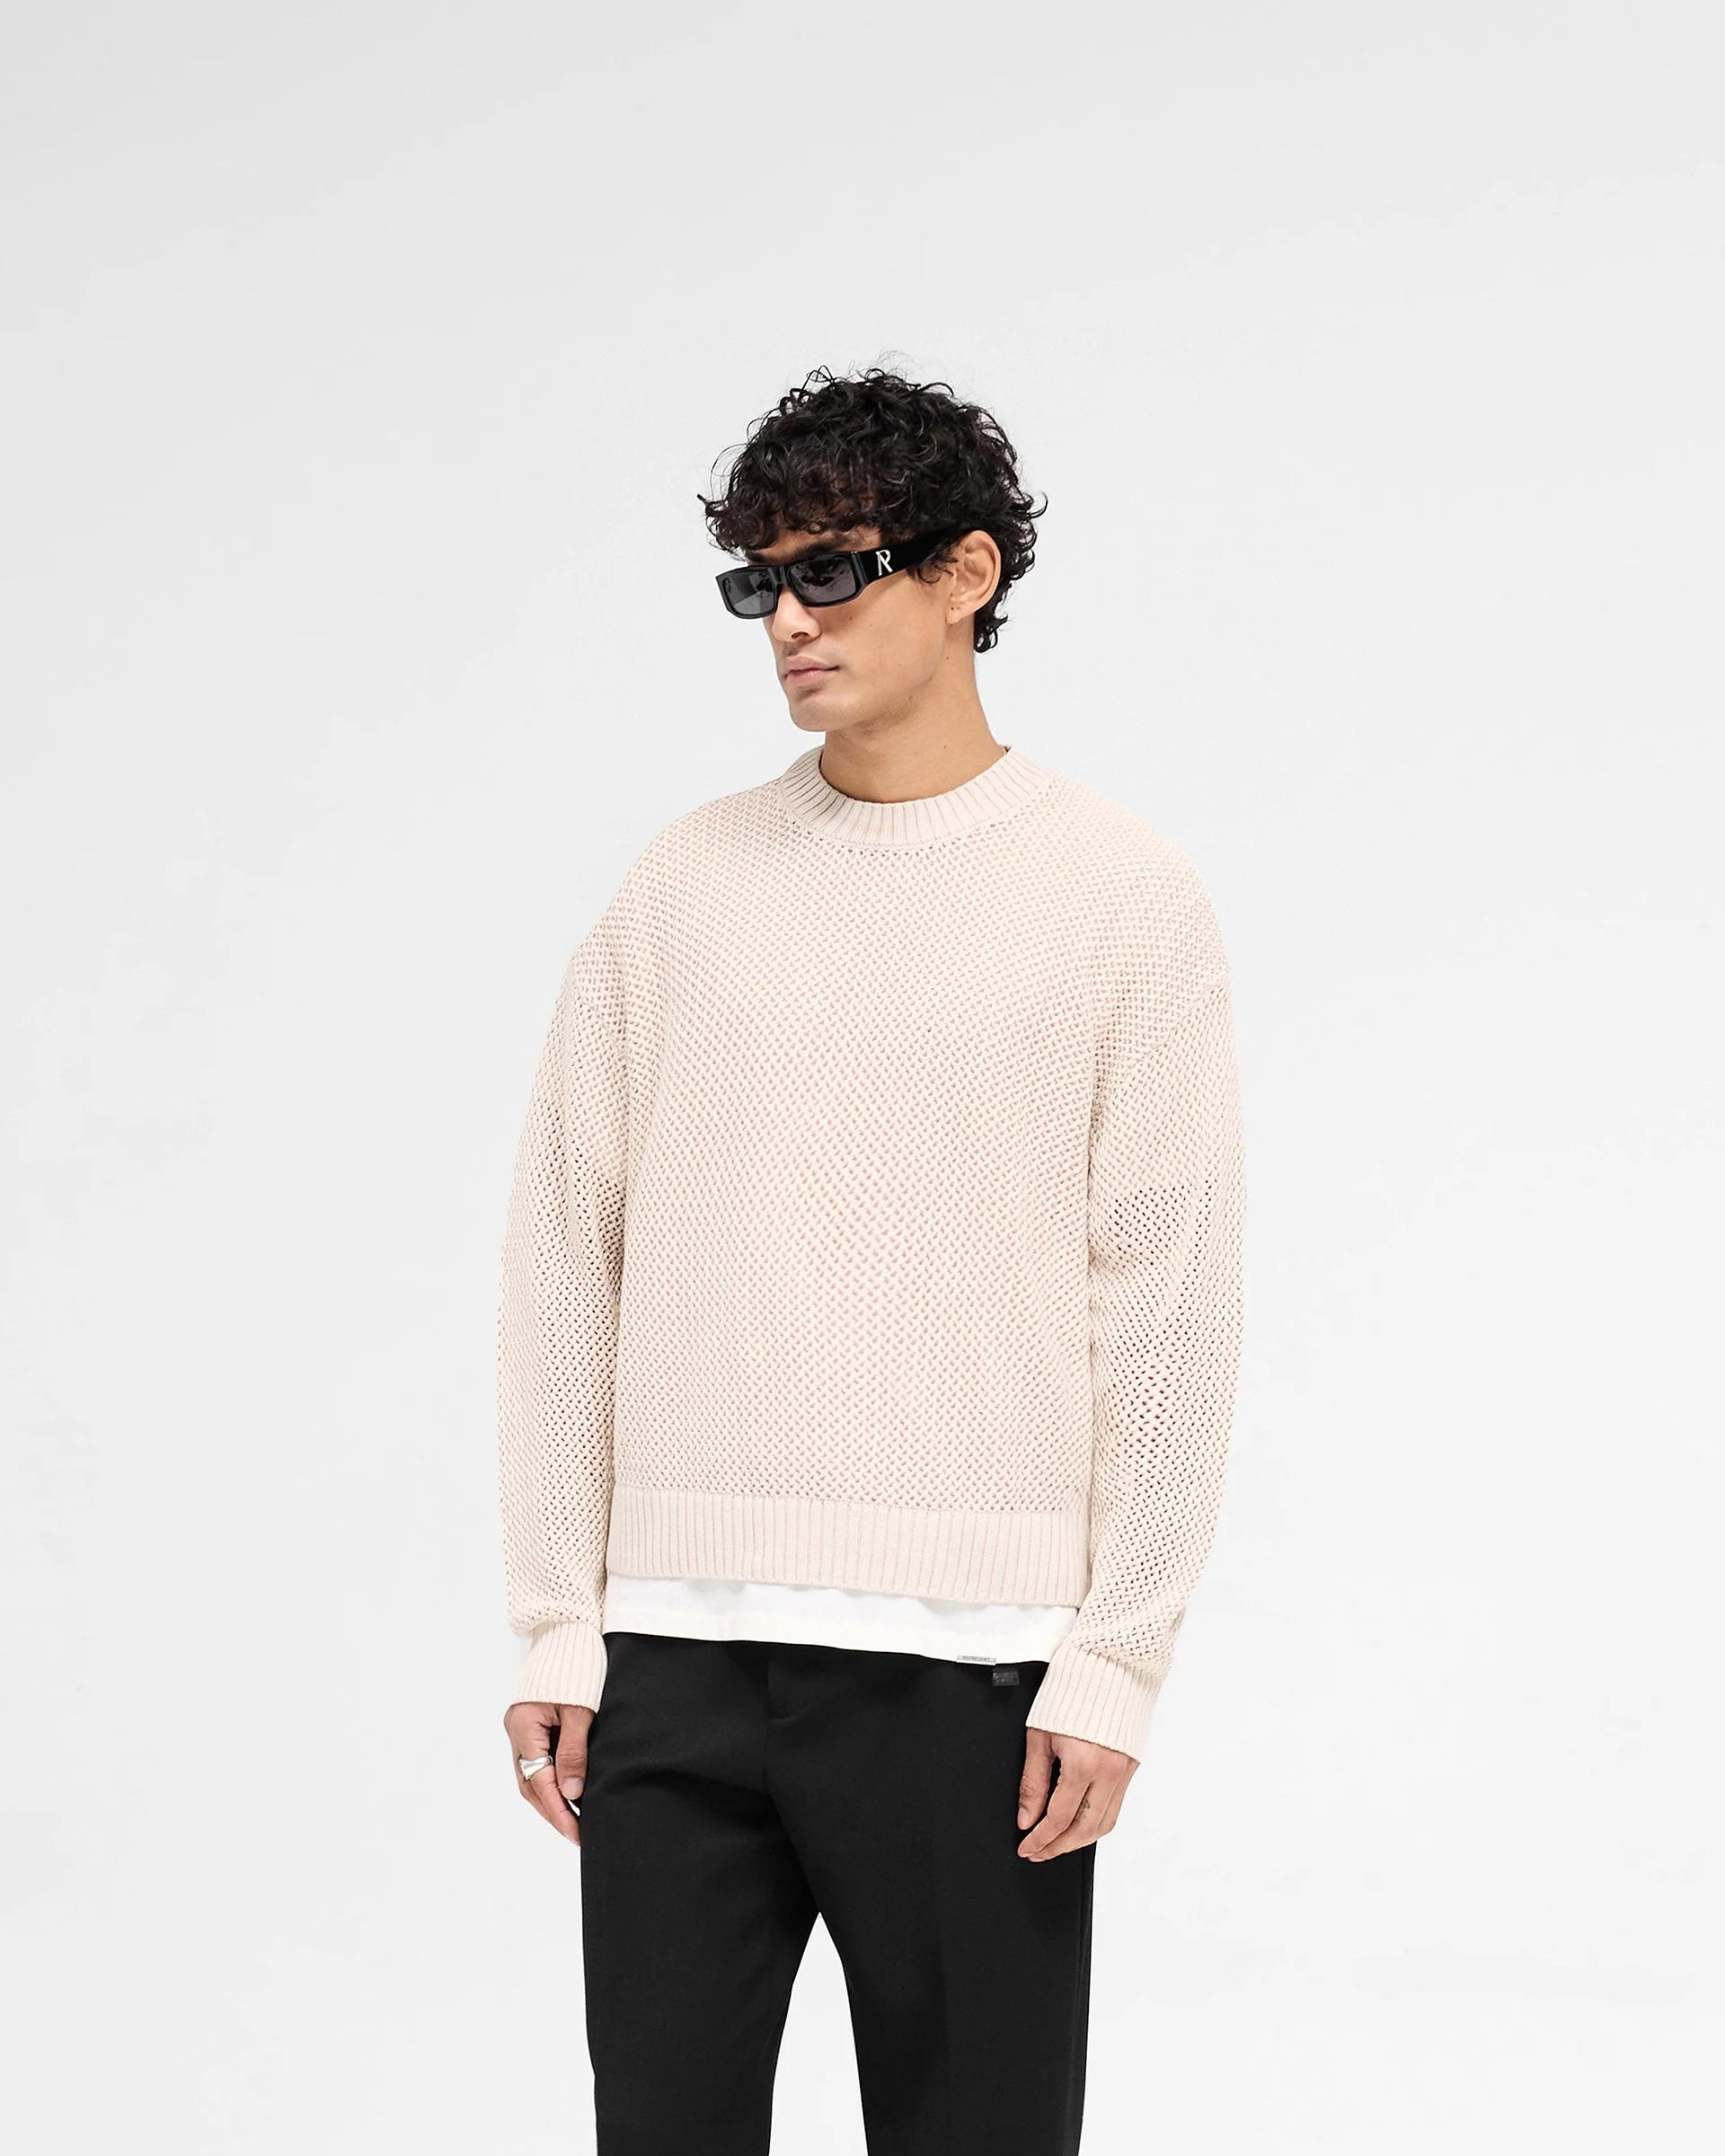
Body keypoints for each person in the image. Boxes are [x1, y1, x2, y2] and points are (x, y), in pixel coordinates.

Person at [496, 364, 1248, 2156]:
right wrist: (558, 1623)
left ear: (967, 572)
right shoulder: (680, 889)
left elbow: (1168, 1303)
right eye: (761, 583)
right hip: (676, 1658)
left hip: (970, 1677)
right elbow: (564, 1261)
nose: (789, 622)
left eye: (832, 571)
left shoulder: (1118, 897)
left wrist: (1115, 1662)